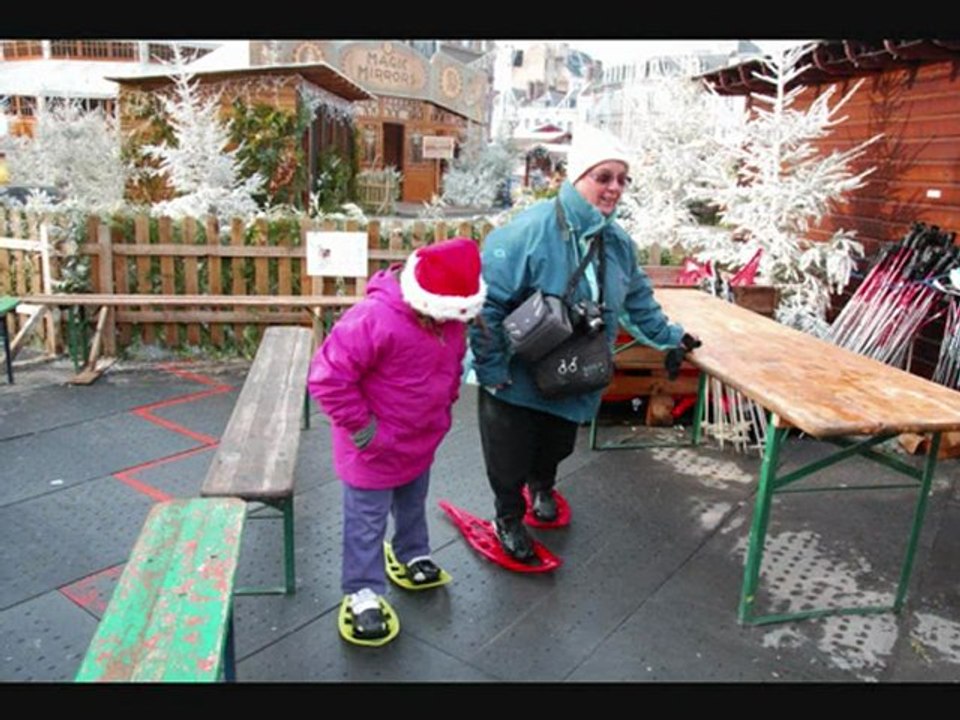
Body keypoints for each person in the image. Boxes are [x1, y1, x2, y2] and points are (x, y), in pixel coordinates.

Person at [469, 124, 700, 562]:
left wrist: (672, 338)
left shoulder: (619, 243)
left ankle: (542, 485)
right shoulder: (528, 231)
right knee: (509, 452)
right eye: (603, 176)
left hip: (574, 371)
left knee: (556, 444)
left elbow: (638, 302)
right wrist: (492, 369)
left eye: (622, 179)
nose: (614, 188)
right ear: (577, 177)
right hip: (517, 375)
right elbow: (486, 304)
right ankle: (508, 516)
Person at [308, 237, 486, 645]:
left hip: (420, 435)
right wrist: (365, 431)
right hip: (373, 445)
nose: (452, 322)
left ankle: (412, 552)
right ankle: (362, 590)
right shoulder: (374, 318)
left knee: (412, 500)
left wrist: (444, 407)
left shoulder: (450, 318)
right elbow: (328, 377)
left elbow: (450, 364)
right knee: (366, 521)